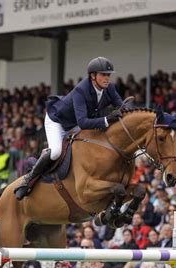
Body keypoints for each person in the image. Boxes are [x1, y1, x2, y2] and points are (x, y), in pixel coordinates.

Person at [14, 57, 123, 200]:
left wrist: (124, 111)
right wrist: (107, 119)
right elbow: (83, 122)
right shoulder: (81, 90)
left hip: (75, 124)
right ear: (93, 76)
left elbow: (121, 106)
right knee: (56, 152)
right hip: (57, 122)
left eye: (108, 75)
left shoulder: (110, 88)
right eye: (103, 74)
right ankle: (28, 179)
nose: (107, 78)